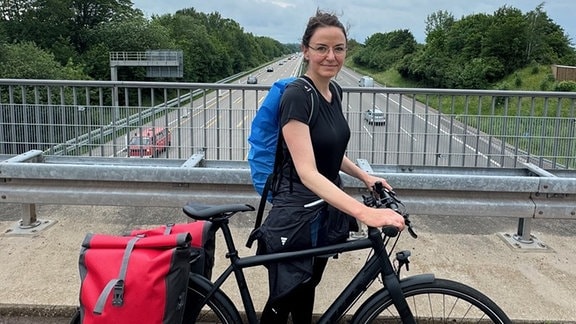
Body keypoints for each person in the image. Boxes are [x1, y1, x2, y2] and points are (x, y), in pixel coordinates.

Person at [256, 9, 406, 324]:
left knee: (309, 285)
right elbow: (308, 171)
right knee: (284, 298)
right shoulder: (297, 96)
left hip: (323, 208)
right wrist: (364, 212)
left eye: (338, 48)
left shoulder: (332, 91)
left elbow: (329, 151)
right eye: (322, 48)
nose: (331, 56)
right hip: (298, 212)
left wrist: (364, 176)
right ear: (306, 50)